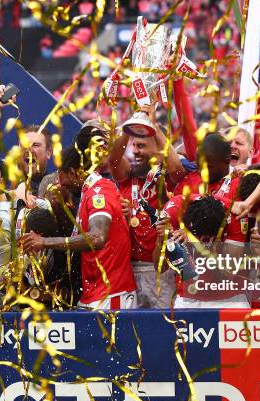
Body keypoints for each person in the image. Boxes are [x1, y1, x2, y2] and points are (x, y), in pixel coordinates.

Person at [21, 144, 137, 310]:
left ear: (73, 173)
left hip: (111, 294)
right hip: (95, 292)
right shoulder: (88, 192)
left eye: (65, 183)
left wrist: (44, 242)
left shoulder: (99, 192)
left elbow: (97, 238)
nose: (63, 187)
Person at [109, 104, 184, 308]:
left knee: (162, 327)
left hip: (161, 269)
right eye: (133, 145)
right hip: (129, 269)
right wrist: (130, 128)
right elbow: (113, 160)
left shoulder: (167, 177)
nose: (135, 151)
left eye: (141, 145)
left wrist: (154, 127)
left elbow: (177, 167)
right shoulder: (127, 175)